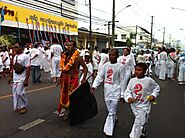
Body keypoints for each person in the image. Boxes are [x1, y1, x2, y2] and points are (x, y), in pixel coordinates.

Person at [91, 48, 126, 137]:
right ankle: (115, 118)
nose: (111, 56)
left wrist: (122, 94)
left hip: (116, 90)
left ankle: (108, 132)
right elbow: (100, 77)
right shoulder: (105, 66)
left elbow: (122, 81)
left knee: (111, 112)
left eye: (113, 55)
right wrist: (94, 86)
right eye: (110, 54)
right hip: (107, 90)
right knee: (110, 109)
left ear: (117, 56)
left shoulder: (121, 67)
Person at [124, 63, 160, 138]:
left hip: (144, 105)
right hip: (134, 105)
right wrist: (129, 98)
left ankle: (134, 136)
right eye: (136, 70)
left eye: (139, 70)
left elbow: (157, 88)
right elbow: (128, 91)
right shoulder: (132, 80)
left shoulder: (149, 80)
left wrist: (153, 95)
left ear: (144, 71)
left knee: (139, 122)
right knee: (141, 121)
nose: (137, 71)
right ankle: (142, 130)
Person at [58, 40, 87, 120]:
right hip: (65, 79)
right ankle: (67, 112)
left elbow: (85, 68)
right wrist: (60, 78)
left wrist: (83, 79)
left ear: (74, 47)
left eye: (71, 45)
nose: (68, 47)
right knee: (64, 96)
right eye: (67, 45)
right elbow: (63, 69)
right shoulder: (64, 56)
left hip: (74, 79)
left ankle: (74, 112)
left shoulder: (78, 57)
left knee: (73, 96)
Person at [8, 42, 31, 114]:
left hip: (22, 78)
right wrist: (10, 77)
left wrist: (26, 79)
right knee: (15, 93)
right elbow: (13, 68)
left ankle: (23, 106)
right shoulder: (15, 57)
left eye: (16, 47)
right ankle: (19, 106)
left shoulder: (26, 56)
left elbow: (28, 68)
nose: (15, 48)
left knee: (19, 92)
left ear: (21, 48)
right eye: (14, 47)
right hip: (15, 78)